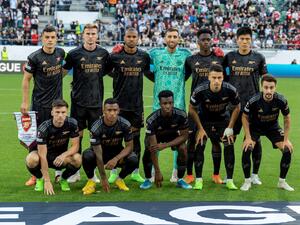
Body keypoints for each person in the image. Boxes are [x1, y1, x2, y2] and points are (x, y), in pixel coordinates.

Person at [63, 23, 110, 183]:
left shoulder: (104, 54)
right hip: (78, 104)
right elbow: (61, 73)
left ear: (97, 36)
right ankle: (75, 171)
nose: (90, 36)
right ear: (83, 35)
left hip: (96, 104)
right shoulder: (74, 54)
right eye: (88, 33)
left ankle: (93, 172)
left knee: (96, 140)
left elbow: (110, 72)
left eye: (93, 33)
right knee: (77, 138)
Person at [20, 25, 66, 186]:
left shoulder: (61, 53)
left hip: (57, 108)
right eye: (47, 37)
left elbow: (63, 71)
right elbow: (26, 79)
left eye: (53, 37)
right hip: (39, 106)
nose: (50, 40)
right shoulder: (34, 57)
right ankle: (36, 174)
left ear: (56, 38)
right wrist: (25, 101)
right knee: (35, 140)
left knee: (60, 138)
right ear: (42, 38)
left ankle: (59, 172)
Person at [223, 26, 268, 185]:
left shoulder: (259, 58)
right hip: (233, 107)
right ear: (237, 40)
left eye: (247, 39)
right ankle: (229, 177)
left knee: (255, 141)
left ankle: (254, 175)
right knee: (229, 140)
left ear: (251, 40)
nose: (244, 42)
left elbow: (265, 79)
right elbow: (221, 76)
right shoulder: (229, 57)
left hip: (253, 107)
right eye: (242, 39)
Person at [108, 27, 152, 184]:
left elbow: (149, 72)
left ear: (138, 38)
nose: (131, 39)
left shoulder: (144, 57)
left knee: (136, 139)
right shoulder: (115, 56)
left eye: (134, 36)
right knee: (115, 139)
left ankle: (135, 171)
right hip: (118, 106)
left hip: (136, 107)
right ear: (124, 37)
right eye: (129, 36)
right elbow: (106, 70)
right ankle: (114, 170)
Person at [149, 28, 191, 182]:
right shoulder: (155, 54)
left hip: (178, 104)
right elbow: (142, 64)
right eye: (169, 36)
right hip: (157, 105)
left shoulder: (186, 55)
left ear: (179, 39)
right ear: (164, 38)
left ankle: (176, 172)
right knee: (154, 140)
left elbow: (193, 70)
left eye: (175, 36)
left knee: (180, 141)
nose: (172, 39)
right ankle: (154, 171)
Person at [189, 64, 240, 190]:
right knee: (200, 143)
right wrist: (200, 129)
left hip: (222, 120)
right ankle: (199, 180)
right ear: (209, 77)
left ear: (223, 77)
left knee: (228, 144)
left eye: (219, 78)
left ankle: (229, 180)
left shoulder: (230, 89)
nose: (217, 81)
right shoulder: (200, 90)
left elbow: (237, 107)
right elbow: (191, 108)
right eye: (214, 77)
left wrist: (230, 127)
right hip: (204, 120)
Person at [184, 28, 225, 185]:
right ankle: (189, 174)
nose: (206, 42)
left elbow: (225, 79)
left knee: (216, 141)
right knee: (192, 141)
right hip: (196, 108)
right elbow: (184, 77)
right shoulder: (191, 60)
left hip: (215, 108)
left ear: (212, 41)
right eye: (203, 39)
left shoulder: (220, 58)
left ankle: (216, 174)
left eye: (209, 39)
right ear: (198, 41)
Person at [241, 75, 294, 191]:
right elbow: (244, 117)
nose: (268, 90)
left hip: (272, 128)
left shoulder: (281, 100)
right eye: (266, 87)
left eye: (271, 87)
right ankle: (247, 181)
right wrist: (248, 137)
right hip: (255, 127)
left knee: (287, 149)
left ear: (275, 87)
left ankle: (282, 182)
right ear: (262, 87)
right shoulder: (253, 100)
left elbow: (287, 118)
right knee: (247, 148)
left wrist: (286, 140)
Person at [82, 98, 138, 194]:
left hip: (117, 154)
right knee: (87, 155)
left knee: (133, 159)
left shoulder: (125, 124)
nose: (112, 113)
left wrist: (116, 159)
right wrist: (103, 178)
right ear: (104, 111)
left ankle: (119, 179)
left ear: (119, 111)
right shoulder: (96, 127)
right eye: (109, 110)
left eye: (115, 110)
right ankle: (92, 180)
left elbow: (129, 147)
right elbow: (98, 154)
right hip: (99, 154)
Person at [25, 99, 81, 195]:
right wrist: (47, 181)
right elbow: (42, 155)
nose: (60, 115)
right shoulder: (44, 128)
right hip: (43, 156)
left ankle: (63, 179)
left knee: (78, 158)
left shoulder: (72, 123)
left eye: (63, 112)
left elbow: (75, 146)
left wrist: (64, 155)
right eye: (57, 112)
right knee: (31, 159)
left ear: (66, 113)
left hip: (60, 158)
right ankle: (40, 178)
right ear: (52, 112)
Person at [140, 90, 191, 190]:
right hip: (156, 137)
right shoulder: (152, 120)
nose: (168, 106)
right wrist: (158, 172)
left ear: (173, 103)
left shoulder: (181, 115)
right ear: (159, 104)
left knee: (183, 148)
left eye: (170, 103)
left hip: (173, 137)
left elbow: (184, 136)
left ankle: (180, 179)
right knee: (149, 149)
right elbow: (154, 147)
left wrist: (166, 145)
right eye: (165, 103)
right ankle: (148, 178)